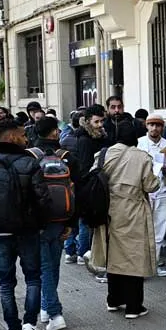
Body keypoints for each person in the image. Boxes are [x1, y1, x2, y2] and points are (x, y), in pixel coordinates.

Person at [0, 120, 51, 330]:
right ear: (11, 137)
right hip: (27, 230)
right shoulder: (28, 163)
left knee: (6, 282)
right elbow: (43, 199)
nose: (26, 139)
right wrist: (42, 224)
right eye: (22, 135)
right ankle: (29, 323)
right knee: (32, 277)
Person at [92, 119, 161, 318]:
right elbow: (150, 186)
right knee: (134, 257)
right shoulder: (142, 157)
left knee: (113, 256)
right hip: (132, 211)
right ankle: (134, 306)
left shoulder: (103, 154)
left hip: (108, 211)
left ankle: (113, 299)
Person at [28, 116, 71, 330]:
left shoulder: (31, 157)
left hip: (38, 222)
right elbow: (75, 191)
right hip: (61, 219)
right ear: (54, 133)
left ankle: (54, 312)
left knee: (44, 268)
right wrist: (71, 222)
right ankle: (46, 307)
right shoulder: (65, 157)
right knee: (53, 266)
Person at [65, 104, 109, 263]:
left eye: (102, 121)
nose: (100, 125)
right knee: (84, 221)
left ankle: (74, 250)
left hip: (90, 182)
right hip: (85, 183)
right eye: (97, 122)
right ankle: (83, 252)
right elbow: (84, 166)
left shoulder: (99, 135)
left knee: (82, 220)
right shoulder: (84, 139)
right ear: (88, 121)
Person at [137, 114, 166, 277]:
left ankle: (154, 264)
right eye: (151, 125)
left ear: (162, 127)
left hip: (163, 192)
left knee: (159, 230)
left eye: (158, 125)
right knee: (142, 229)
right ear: (147, 126)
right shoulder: (139, 144)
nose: (154, 128)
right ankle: (140, 266)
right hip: (144, 193)